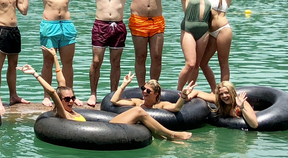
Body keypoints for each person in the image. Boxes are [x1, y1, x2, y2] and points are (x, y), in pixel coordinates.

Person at [18, 59, 191, 140]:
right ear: (60, 102)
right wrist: (35, 74)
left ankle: (163, 137)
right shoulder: (62, 113)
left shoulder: (69, 108)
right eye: (67, 99)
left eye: (73, 98)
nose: (71, 101)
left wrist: (54, 58)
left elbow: (61, 83)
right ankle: (173, 135)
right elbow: (53, 91)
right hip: (103, 131)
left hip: (108, 126)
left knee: (138, 113)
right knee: (138, 111)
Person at [161, 0, 215, 91]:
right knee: (190, 63)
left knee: (196, 65)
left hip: (204, 32)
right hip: (188, 30)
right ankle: (179, 91)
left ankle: (189, 90)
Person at [109, 72, 194, 113]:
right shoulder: (137, 102)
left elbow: (176, 108)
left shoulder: (161, 105)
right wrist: (123, 85)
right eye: (143, 88)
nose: (144, 91)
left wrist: (183, 96)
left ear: (156, 94)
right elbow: (114, 101)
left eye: (148, 91)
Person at [190, 81, 258, 128]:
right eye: (221, 94)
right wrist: (187, 97)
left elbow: (254, 125)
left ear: (232, 92)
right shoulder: (219, 100)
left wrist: (242, 107)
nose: (224, 96)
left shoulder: (241, 103)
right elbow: (197, 93)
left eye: (227, 92)